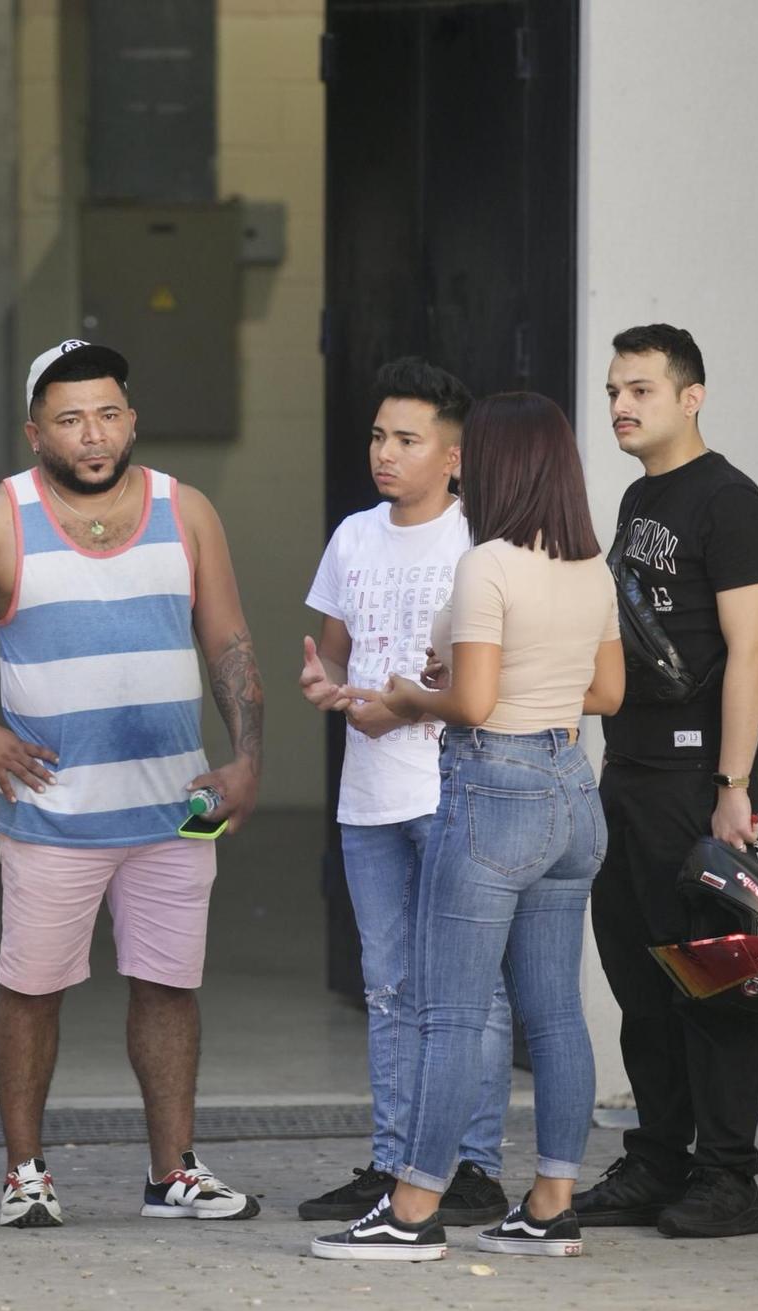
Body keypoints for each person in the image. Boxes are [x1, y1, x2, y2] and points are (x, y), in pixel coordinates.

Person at [0, 341, 264, 1228]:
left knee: (168, 983)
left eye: (109, 413)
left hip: (176, 807)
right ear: (35, 429)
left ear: (133, 418)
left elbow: (228, 641)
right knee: (32, 987)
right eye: (72, 418)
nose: (93, 434)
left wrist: (247, 758)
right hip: (49, 812)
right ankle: (25, 1174)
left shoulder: (184, 510)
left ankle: (172, 1174)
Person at [314, 391, 622, 1262]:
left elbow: (475, 702)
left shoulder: (486, 563)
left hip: (494, 792)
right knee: (555, 1012)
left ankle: (410, 1209)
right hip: (570, 788)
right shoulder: (589, 567)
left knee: (449, 1012)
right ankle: (551, 1202)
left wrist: (418, 697)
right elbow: (607, 694)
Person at [572, 324, 758, 1239]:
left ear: (691, 396)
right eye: (615, 390)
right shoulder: (638, 496)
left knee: (711, 978)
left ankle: (729, 1178)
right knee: (639, 974)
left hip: (699, 776)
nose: (621, 405)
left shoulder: (733, 505)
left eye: (642, 391)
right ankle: (661, 1158)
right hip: (630, 771)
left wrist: (733, 782)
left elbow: (751, 653)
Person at [296, 357, 511, 1227]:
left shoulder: (481, 543)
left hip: (456, 790)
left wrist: (408, 701)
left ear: (453, 457)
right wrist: (329, 688)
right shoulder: (352, 536)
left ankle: (474, 1165)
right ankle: (392, 1162)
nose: (385, 452)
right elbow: (335, 656)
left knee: (471, 989)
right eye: (379, 435)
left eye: (407, 439)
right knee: (388, 985)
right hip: (368, 798)